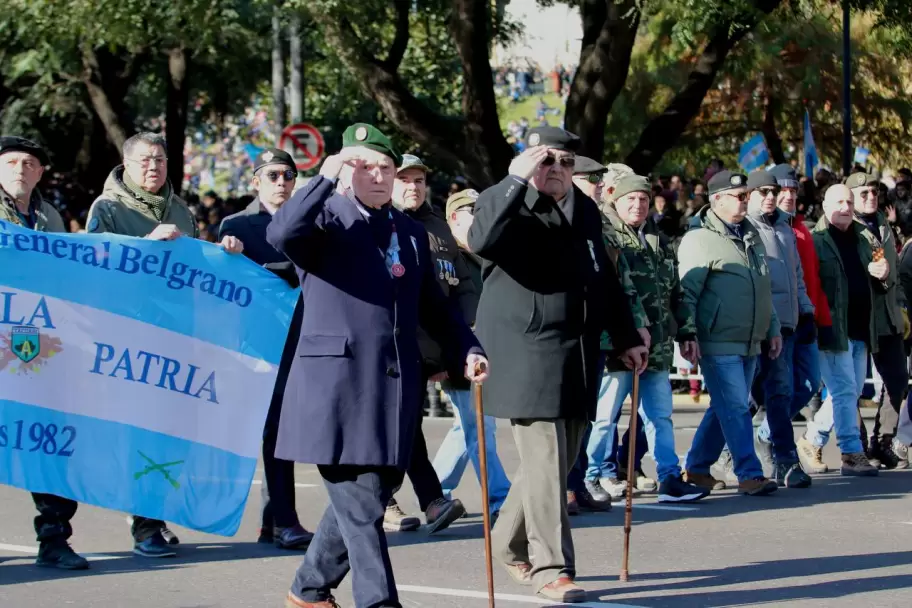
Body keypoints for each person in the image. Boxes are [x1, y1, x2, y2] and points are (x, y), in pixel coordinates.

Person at [266, 123, 487, 608]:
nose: (379, 176)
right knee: (363, 506)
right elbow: (280, 232)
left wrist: (467, 347)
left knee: (364, 498)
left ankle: (308, 589)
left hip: (394, 392)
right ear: (346, 171)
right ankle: (379, 603)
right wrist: (321, 177)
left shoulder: (407, 232)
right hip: (337, 390)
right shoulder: (323, 218)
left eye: (386, 167)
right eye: (365, 166)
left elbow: (435, 305)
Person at [468, 127, 648, 603]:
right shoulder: (503, 201)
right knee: (547, 463)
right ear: (527, 161)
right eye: (546, 160)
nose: (557, 170)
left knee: (557, 461)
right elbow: (482, 240)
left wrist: (626, 337)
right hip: (527, 348)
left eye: (566, 162)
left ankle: (507, 544)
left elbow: (602, 276)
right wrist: (515, 180)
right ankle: (552, 568)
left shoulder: (584, 209)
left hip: (578, 349)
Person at [86, 132, 245, 558]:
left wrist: (224, 253)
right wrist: (145, 245)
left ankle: (154, 512)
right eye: (144, 160)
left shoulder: (180, 209)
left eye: (160, 159)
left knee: (172, 432)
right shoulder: (109, 208)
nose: (153, 167)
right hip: (130, 335)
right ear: (126, 163)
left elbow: (193, 267)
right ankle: (145, 526)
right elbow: (96, 266)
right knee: (144, 431)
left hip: (178, 334)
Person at [589, 174, 709, 503]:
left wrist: (686, 332)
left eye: (643, 199)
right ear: (616, 200)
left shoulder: (657, 239)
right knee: (604, 416)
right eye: (631, 199)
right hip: (619, 346)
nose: (638, 205)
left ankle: (670, 478)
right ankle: (589, 476)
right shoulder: (608, 236)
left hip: (656, 346)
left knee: (659, 417)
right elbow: (616, 292)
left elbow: (676, 292)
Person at [218, 148, 313, 550]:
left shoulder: (309, 219)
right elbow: (224, 283)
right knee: (276, 431)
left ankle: (273, 521)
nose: (281, 182)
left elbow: (313, 269)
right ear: (255, 181)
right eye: (272, 175)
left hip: (304, 339)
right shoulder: (237, 225)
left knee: (283, 431)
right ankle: (284, 521)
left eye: (288, 175)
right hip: (258, 344)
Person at [0, 136, 87, 570]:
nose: (20, 168)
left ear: (40, 173)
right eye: (12, 161)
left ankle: (54, 537)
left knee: (49, 438)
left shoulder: (49, 215)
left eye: (30, 163)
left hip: (34, 343)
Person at [381, 153, 476, 532]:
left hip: (433, 341)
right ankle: (404, 499)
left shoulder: (436, 226)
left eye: (419, 180)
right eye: (405, 180)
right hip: (391, 342)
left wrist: (466, 329)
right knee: (402, 422)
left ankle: (421, 499)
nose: (413, 187)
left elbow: (461, 283)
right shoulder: (378, 223)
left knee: (407, 423)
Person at [677, 170, 781, 496]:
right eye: (739, 196)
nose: (744, 201)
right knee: (736, 405)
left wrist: (773, 328)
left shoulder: (750, 236)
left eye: (746, 195)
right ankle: (749, 473)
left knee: (725, 405)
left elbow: (763, 287)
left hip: (750, 337)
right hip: (717, 338)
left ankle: (695, 467)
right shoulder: (698, 239)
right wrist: (688, 333)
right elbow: (687, 293)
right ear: (717, 199)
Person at [567, 157, 651, 506]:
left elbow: (615, 282)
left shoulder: (595, 222)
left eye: (601, 179)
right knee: (573, 416)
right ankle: (570, 484)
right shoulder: (561, 219)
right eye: (591, 179)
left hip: (596, 332)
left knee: (586, 414)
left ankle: (577, 483)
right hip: (564, 331)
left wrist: (631, 332)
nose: (600, 184)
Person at [430, 187, 512, 519]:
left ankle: (434, 491)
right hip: (459, 355)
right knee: (480, 426)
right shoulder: (447, 257)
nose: (481, 222)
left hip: (486, 354)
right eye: (472, 215)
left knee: (465, 428)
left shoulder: (489, 256)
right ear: (452, 219)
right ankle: (500, 498)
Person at [797, 185, 880, 476]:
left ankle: (811, 439)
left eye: (849, 201)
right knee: (844, 390)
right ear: (825, 205)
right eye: (839, 202)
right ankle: (850, 452)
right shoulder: (816, 240)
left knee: (851, 391)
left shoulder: (861, 239)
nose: (845, 207)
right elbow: (808, 283)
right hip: (833, 328)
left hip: (860, 327)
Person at [744, 170, 815, 488]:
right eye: (764, 191)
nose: (771, 197)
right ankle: (710, 458)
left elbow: (797, 276)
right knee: (749, 396)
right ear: (749, 195)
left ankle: (782, 457)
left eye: (775, 191)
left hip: (789, 324)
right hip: (756, 326)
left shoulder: (785, 230)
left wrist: (807, 312)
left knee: (785, 391)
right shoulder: (746, 229)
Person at [846, 173, 909, 468]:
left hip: (887, 316)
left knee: (896, 380)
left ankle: (883, 440)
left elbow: (894, 271)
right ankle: (855, 445)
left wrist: (900, 306)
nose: (871, 197)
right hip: (858, 317)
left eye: (874, 191)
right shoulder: (845, 226)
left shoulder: (883, 223)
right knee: (852, 386)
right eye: (863, 193)